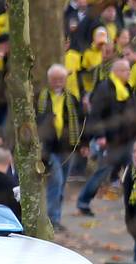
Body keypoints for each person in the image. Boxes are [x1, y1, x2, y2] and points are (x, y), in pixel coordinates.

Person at [77, 59, 134, 215]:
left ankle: (133, 204)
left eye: (129, 70)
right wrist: (101, 136)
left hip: (127, 138)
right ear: (116, 71)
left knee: (133, 171)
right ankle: (83, 202)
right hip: (111, 139)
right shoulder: (105, 88)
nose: (129, 73)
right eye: (125, 70)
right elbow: (96, 115)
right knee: (102, 172)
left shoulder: (127, 88)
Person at [37, 64, 83, 230]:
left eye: (61, 79)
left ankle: (55, 217)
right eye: (54, 79)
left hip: (67, 149)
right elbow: (36, 121)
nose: (57, 82)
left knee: (62, 185)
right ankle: (51, 220)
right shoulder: (41, 97)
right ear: (49, 80)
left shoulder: (71, 99)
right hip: (48, 150)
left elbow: (80, 120)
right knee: (56, 182)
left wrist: (82, 144)